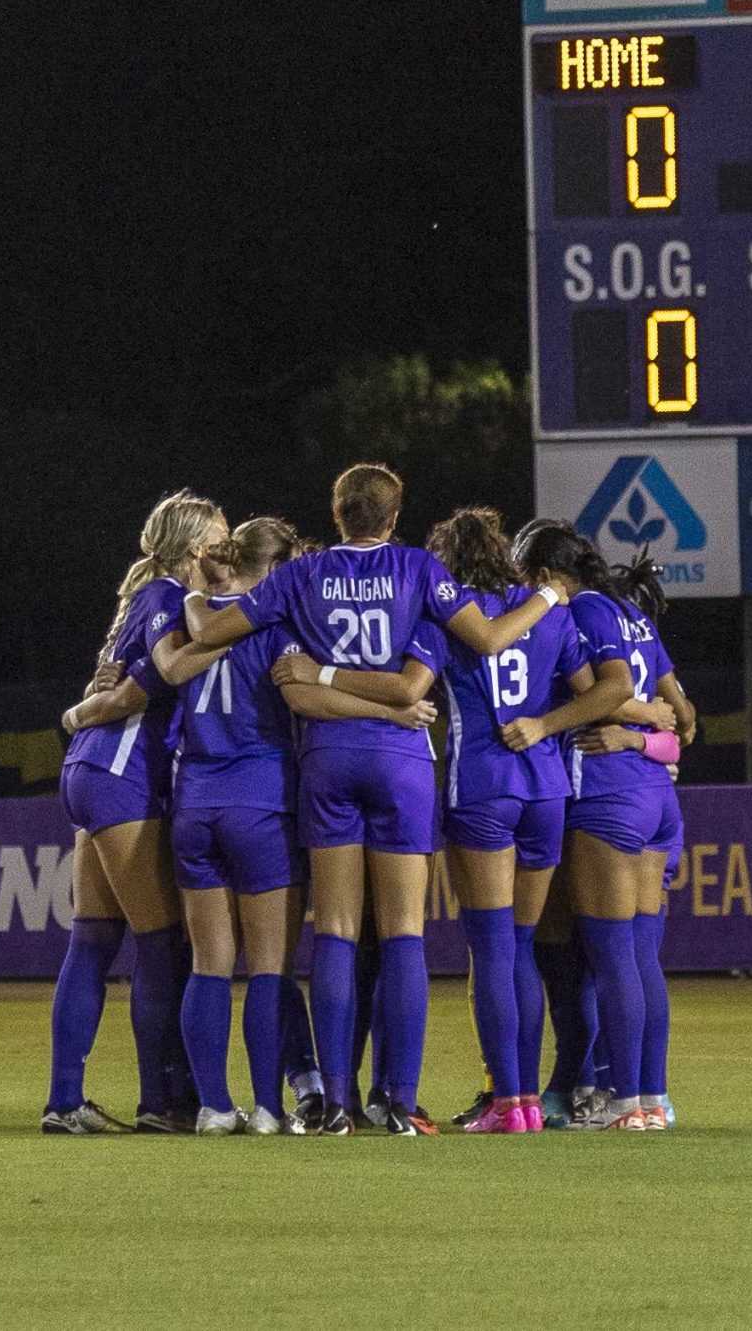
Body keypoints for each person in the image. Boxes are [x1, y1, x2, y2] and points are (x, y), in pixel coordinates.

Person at [179, 462, 566, 1135]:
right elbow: (486, 638)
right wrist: (552, 596)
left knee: (333, 930)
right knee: (403, 932)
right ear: (393, 515)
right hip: (403, 762)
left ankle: (334, 1100)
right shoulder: (419, 571)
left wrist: (201, 596)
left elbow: (211, 633)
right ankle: (398, 1100)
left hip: (327, 756)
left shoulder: (299, 577)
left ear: (338, 514)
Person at [296, 506, 631, 1134]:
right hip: (547, 791)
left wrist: (320, 674)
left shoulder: (444, 618)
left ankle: (509, 1101)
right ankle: (529, 1102)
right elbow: (602, 691)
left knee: (494, 949)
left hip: (483, 787)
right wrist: (547, 725)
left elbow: (406, 685)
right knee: (523, 948)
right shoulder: (549, 613)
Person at [152, 517, 438, 1136]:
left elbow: (171, 669)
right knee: (269, 968)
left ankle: (211, 1106)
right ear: (279, 567)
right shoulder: (279, 626)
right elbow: (305, 697)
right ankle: (267, 1108)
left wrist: (195, 597)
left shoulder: (189, 617)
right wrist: (394, 710)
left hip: (194, 799)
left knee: (208, 964)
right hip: (260, 801)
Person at [39, 490, 213, 1135]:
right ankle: (159, 1101)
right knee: (162, 944)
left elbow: (108, 684)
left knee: (93, 939)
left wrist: (84, 710)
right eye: (218, 537)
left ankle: (65, 1101)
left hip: (89, 769)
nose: (225, 547)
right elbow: (153, 678)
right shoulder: (170, 597)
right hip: (121, 775)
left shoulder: (139, 598)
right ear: (195, 547)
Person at [513, 521, 696, 1133]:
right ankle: (652, 1098)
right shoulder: (631, 612)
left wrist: (550, 724)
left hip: (607, 794)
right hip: (655, 797)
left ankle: (624, 1102)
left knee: (609, 956)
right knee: (639, 957)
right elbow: (685, 715)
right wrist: (647, 729)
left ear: (543, 575)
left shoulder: (586, 610)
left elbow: (611, 687)